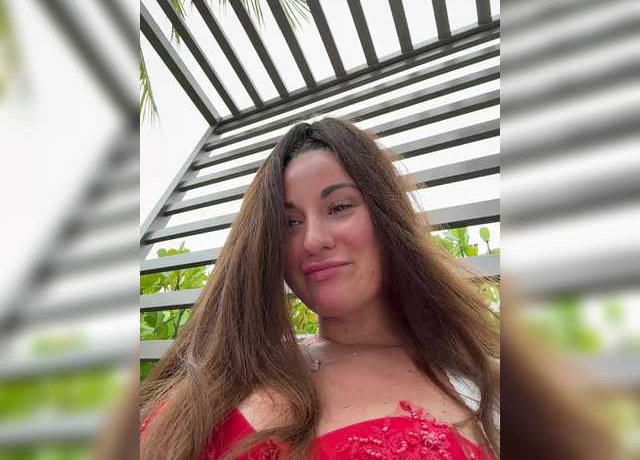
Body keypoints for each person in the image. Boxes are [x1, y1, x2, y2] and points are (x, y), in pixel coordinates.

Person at [140, 117, 500, 459]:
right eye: (289, 222)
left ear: (388, 216)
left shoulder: (484, 384)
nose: (312, 240)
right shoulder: (233, 363)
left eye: (339, 207)